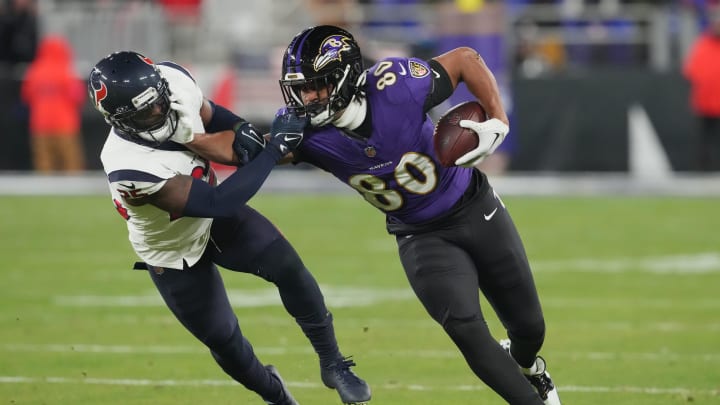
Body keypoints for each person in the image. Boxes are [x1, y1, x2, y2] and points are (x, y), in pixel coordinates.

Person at [276, 25, 560, 404]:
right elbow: (242, 151)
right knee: (465, 327)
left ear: (344, 78)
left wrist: (498, 119)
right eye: (300, 88)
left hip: (473, 204)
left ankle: (528, 367)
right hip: (419, 234)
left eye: (317, 85)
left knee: (529, 328)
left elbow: (464, 60)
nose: (307, 97)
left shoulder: (396, 86)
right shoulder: (302, 133)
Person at [87, 50, 371, 405]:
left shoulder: (173, 80)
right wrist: (272, 151)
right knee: (224, 340)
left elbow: (209, 112)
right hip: (173, 250)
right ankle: (277, 397)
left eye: (159, 101)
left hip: (213, 221)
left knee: (288, 267)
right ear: (119, 120)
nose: (160, 111)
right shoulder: (128, 165)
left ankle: (333, 363)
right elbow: (217, 202)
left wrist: (241, 129)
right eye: (146, 111)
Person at [20, 35, 86, 173]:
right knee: (71, 165)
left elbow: (26, 96)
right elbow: (78, 97)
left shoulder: (34, 72)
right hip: (65, 126)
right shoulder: (67, 72)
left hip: (40, 126)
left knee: (44, 165)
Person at [683, 5, 720, 171]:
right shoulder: (703, 44)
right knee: (704, 142)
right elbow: (691, 70)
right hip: (705, 103)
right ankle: (702, 172)